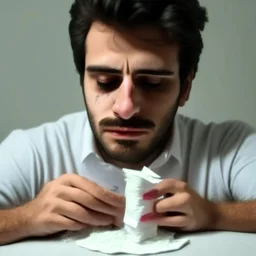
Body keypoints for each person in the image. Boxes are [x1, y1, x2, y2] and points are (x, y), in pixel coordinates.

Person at [0, 0, 255, 245]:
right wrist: (27, 218)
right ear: (83, 81)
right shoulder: (34, 150)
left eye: (152, 84)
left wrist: (214, 214)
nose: (125, 108)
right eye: (105, 81)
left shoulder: (227, 147)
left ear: (185, 87)